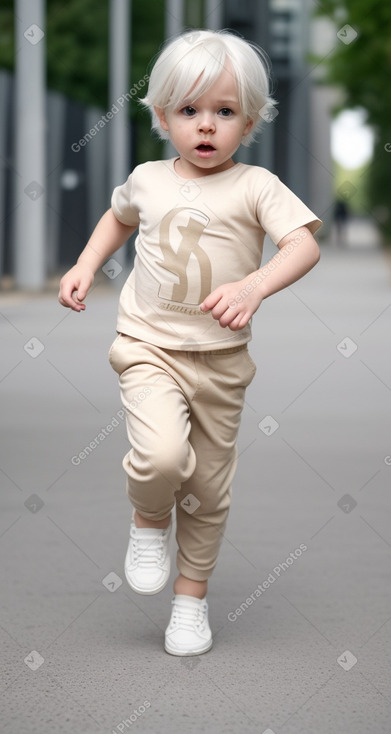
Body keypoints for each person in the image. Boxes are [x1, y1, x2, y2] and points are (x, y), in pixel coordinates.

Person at [58, 29, 322, 657]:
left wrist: (255, 286)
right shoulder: (147, 178)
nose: (206, 127)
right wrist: (86, 265)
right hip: (149, 346)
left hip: (222, 363)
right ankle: (149, 519)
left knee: (208, 488)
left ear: (250, 120)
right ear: (162, 116)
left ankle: (189, 600)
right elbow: (119, 217)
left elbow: (304, 243)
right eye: (190, 111)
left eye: (224, 112)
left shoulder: (256, 185)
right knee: (162, 459)